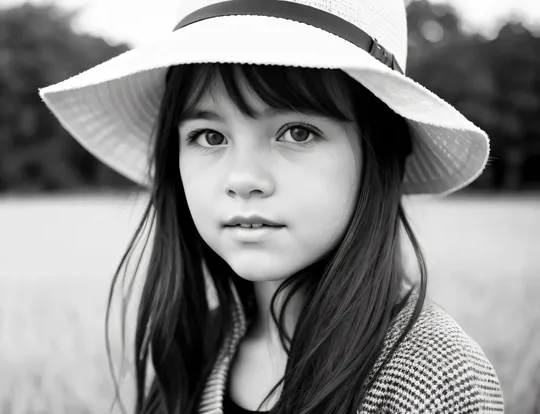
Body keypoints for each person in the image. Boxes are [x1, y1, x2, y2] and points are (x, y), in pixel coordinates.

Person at [39, 0, 505, 412]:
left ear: (378, 152)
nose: (243, 180)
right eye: (209, 136)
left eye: (297, 132)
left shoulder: (436, 376)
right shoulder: (191, 349)